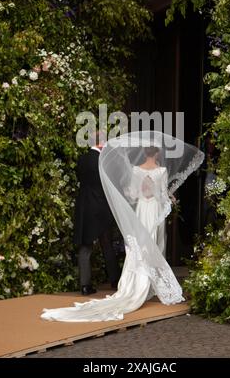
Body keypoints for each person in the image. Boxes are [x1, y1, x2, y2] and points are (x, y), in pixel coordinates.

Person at [41, 131, 204, 322]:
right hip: (144, 211)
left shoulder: (101, 163)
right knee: (150, 245)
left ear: (144, 152)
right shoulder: (161, 171)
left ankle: (120, 284)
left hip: (134, 209)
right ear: (157, 153)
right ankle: (149, 285)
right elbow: (161, 194)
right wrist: (169, 200)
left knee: (133, 247)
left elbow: (134, 194)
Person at [73, 132, 120, 295]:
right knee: (107, 243)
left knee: (86, 246)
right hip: (101, 207)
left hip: (84, 206)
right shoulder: (104, 160)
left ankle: (85, 285)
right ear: (101, 143)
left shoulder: (82, 159)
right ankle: (115, 280)